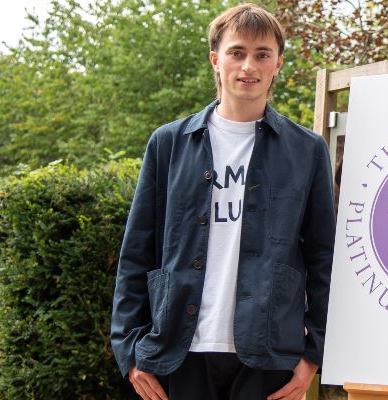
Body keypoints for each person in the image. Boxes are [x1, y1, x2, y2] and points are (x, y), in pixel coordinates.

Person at [110, 4, 335, 400]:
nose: (249, 65)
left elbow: (324, 259)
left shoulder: (307, 150)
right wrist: (128, 349)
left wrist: (313, 355)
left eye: (262, 54)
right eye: (237, 52)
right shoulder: (168, 143)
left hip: (269, 357)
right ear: (216, 60)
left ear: (277, 63)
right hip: (177, 352)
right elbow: (137, 252)